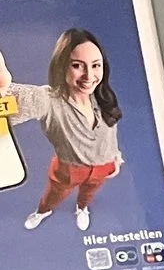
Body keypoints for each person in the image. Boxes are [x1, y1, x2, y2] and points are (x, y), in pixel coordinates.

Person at [2, 28, 123, 232]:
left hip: (104, 166)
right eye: (77, 65)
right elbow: (10, 100)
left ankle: (82, 209)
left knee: (88, 194)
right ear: (62, 66)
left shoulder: (103, 96)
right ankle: (42, 211)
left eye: (96, 65)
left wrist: (115, 157)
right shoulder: (46, 100)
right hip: (68, 169)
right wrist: (2, 90)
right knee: (53, 196)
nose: (89, 76)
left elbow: (110, 134)